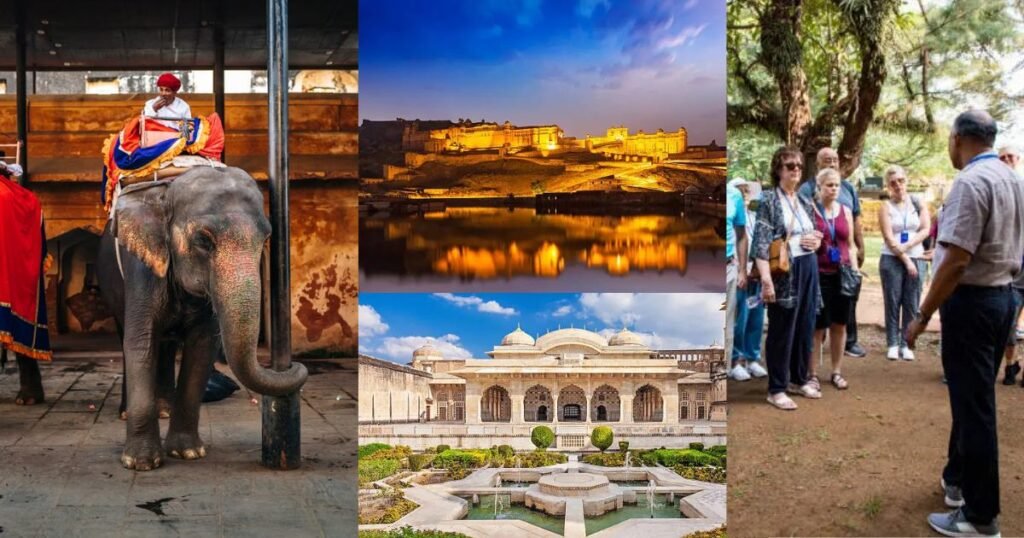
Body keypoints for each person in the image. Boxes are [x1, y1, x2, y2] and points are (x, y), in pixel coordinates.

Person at [907, 109, 1024, 538]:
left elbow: (956, 260)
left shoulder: (971, 183)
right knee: (970, 397)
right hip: (1002, 299)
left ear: (957, 138)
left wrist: (921, 316)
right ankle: (957, 480)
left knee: (975, 409)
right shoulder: (1012, 178)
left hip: (973, 304)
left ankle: (980, 515)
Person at [753, 147, 823, 410]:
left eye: (799, 166)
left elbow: (815, 232)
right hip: (784, 272)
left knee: (805, 325)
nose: (795, 170)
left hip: (809, 268)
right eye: (789, 165)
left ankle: (799, 377)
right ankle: (777, 388)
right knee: (782, 329)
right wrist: (766, 280)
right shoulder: (769, 199)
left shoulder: (805, 200)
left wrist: (815, 241)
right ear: (778, 170)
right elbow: (760, 244)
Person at [800, 148, 867, 358]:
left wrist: (860, 245)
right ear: (818, 163)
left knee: (846, 305)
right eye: (826, 160)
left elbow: (856, 218)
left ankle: (850, 343)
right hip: (819, 264)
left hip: (844, 261)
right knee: (819, 317)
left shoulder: (847, 188)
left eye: (835, 160)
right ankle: (811, 363)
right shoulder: (806, 190)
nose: (831, 163)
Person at [809, 168, 858, 390]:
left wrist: (854, 270)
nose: (834, 189)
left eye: (837, 185)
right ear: (819, 187)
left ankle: (836, 371)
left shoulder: (845, 210)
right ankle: (812, 374)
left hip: (843, 274)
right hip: (820, 274)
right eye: (829, 185)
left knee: (840, 323)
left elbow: (851, 244)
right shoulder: (811, 210)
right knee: (818, 326)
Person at [878, 165, 930, 360]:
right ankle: (892, 342)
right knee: (892, 301)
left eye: (900, 180)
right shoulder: (885, 207)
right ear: (888, 185)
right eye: (893, 182)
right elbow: (888, 237)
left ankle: (906, 343)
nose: (897, 185)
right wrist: (905, 259)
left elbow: (925, 229)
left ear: (906, 181)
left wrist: (908, 245)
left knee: (911, 302)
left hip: (917, 255)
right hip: (892, 258)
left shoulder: (918, 202)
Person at [730, 179, 768, 380]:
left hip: (757, 273)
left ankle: (752, 358)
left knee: (757, 318)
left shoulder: (753, 215)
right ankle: (735, 360)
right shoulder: (734, 216)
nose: (744, 193)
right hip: (740, 272)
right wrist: (741, 270)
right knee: (740, 319)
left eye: (746, 190)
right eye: (740, 190)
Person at [726, 179, 749, 380]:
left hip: (727, 268)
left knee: (726, 325)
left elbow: (742, 235)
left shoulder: (734, 195)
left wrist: (742, 270)